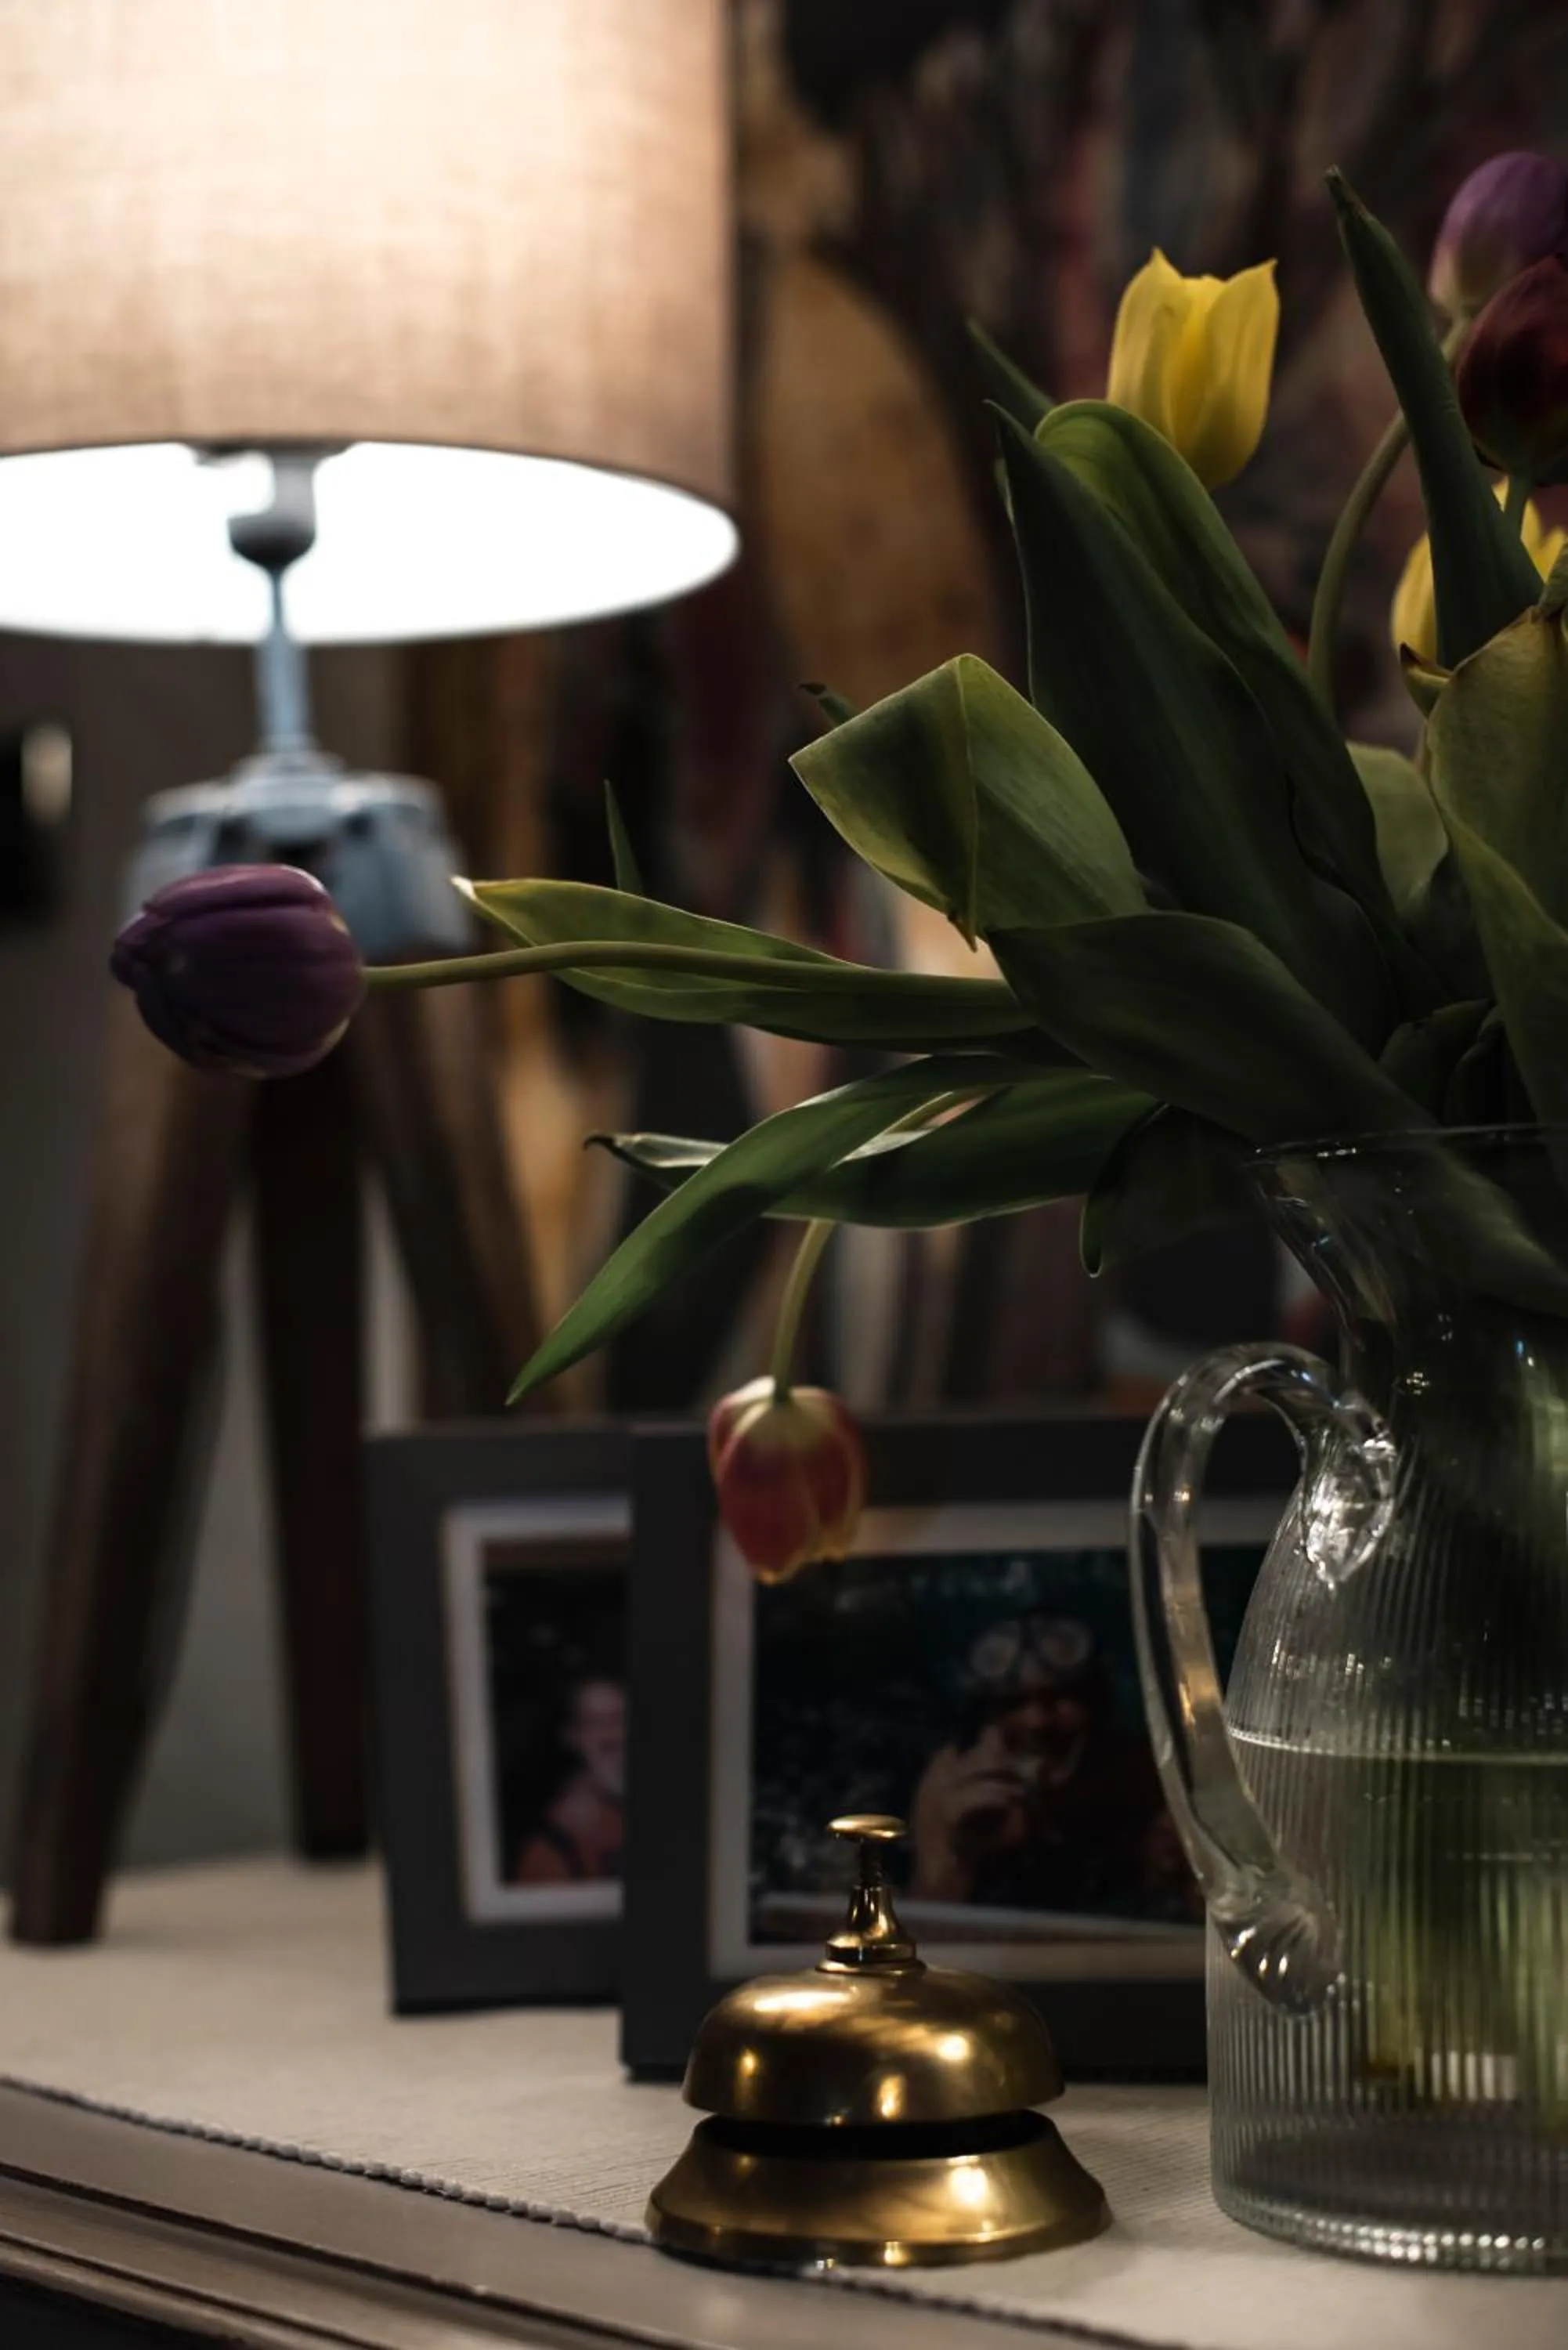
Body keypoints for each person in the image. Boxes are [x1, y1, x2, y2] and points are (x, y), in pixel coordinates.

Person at [909, 1610, 1186, 1918]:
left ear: (1096, 1705)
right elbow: (929, 1918)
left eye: (1059, 1699)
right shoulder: (953, 1779)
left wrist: (1165, 1863)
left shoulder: (1142, 1774)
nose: (1037, 1721)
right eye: (1014, 1703)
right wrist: (963, 1855)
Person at [511, 1676, 626, 1885]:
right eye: (595, 1722)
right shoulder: (554, 1842)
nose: (613, 1734)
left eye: (621, 1719)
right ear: (571, 1737)